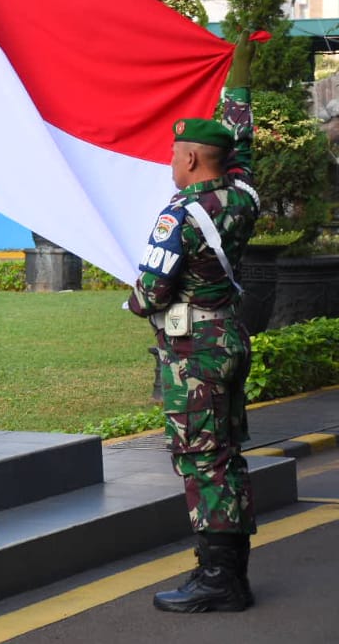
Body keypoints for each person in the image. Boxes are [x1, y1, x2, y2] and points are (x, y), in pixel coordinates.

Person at [128, 35, 260, 613]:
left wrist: (133, 303)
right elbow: (243, 152)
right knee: (227, 452)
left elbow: (151, 291)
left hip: (194, 352)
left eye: (174, 153)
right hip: (230, 336)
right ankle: (232, 573)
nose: (170, 161)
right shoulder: (244, 198)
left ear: (189, 160)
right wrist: (239, 87)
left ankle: (216, 580)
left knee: (202, 459)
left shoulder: (179, 215)